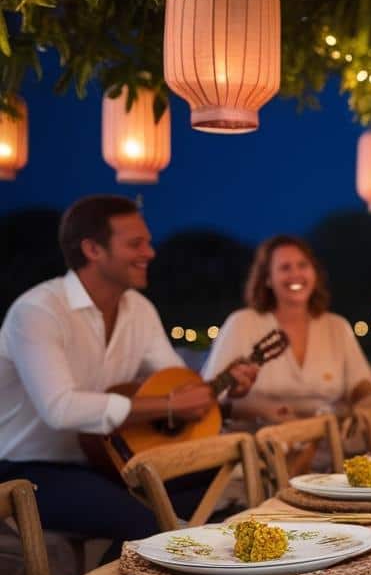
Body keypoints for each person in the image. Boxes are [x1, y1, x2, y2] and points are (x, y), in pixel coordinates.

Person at [0, 195, 259, 549]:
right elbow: (60, 409)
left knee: (227, 475)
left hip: (110, 460)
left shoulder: (139, 309)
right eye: (137, 243)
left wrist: (224, 392)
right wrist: (167, 406)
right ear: (93, 249)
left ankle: (132, 563)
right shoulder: (37, 311)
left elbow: (176, 380)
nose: (150, 252)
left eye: (148, 242)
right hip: (28, 471)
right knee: (149, 526)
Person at [204, 235, 371, 428]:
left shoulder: (337, 326)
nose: (296, 274)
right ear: (268, 279)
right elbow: (212, 398)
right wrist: (261, 410)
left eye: (302, 265)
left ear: (314, 273)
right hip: (257, 444)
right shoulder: (241, 323)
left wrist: (361, 410)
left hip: (328, 444)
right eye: (285, 268)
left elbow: (363, 385)